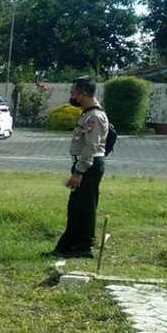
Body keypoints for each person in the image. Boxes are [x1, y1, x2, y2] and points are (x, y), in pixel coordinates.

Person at [44, 77, 110, 259]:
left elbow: (91, 146)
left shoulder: (94, 117)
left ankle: (83, 247)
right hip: (85, 164)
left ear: (84, 94)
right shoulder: (87, 114)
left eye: (74, 93)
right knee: (77, 207)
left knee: (85, 207)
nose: (72, 96)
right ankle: (69, 246)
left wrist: (80, 171)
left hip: (88, 165)